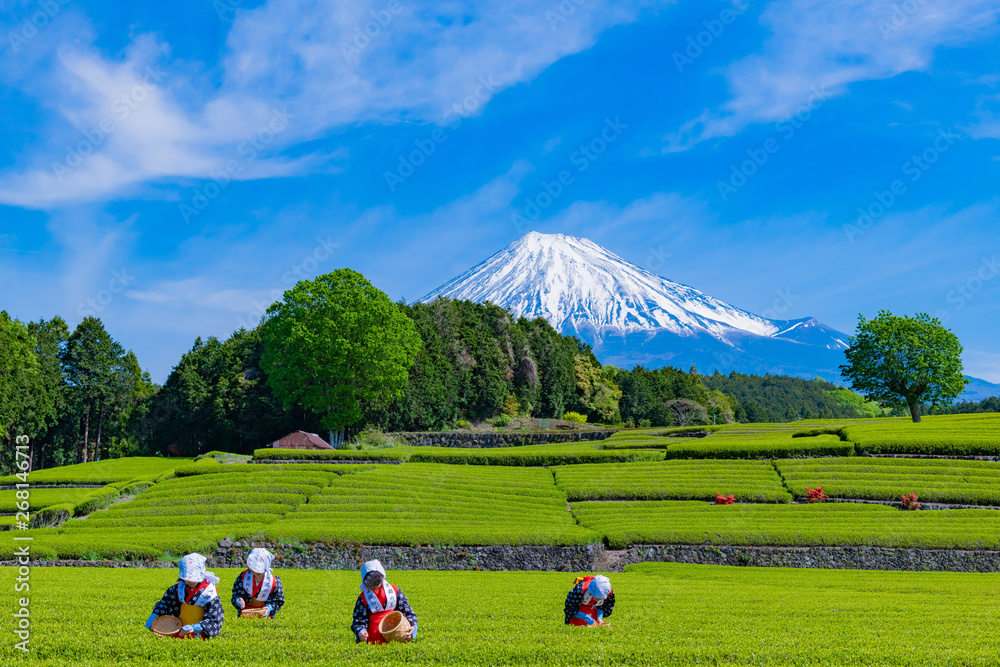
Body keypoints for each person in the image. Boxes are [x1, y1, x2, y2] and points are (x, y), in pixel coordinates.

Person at [145, 553, 225, 639]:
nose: (190, 581)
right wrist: (155, 615)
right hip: (179, 630)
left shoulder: (209, 593)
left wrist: (196, 628)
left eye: (194, 578)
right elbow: (165, 604)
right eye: (187, 578)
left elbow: (215, 617)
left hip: (199, 633)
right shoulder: (178, 588)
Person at [351, 560, 418, 644]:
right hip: (373, 639)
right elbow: (358, 619)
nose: (373, 588)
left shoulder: (394, 590)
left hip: (396, 637)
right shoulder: (363, 597)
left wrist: (413, 627)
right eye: (370, 585)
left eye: (376, 584)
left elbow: (407, 611)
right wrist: (361, 631)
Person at [232, 547, 285, 618]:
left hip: (265, 614)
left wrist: (270, 608)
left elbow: (279, 600)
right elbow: (235, 594)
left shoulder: (274, 581)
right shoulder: (243, 576)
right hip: (245, 614)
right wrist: (238, 600)